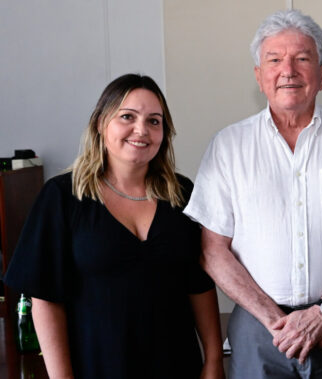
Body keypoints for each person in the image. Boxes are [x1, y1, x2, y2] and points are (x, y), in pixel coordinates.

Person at [183, 9, 322, 379]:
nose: (289, 70)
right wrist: (274, 321)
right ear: (259, 76)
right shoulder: (228, 146)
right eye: (274, 60)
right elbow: (212, 250)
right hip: (258, 329)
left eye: (303, 58)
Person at [3, 74, 224, 378]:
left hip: (177, 365)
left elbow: (199, 285)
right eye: (127, 117)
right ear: (100, 123)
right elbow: (46, 299)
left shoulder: (182, 194)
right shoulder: (63, 197)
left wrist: (213, 361)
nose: (141, 130)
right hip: (95, 367)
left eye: (154, 121)